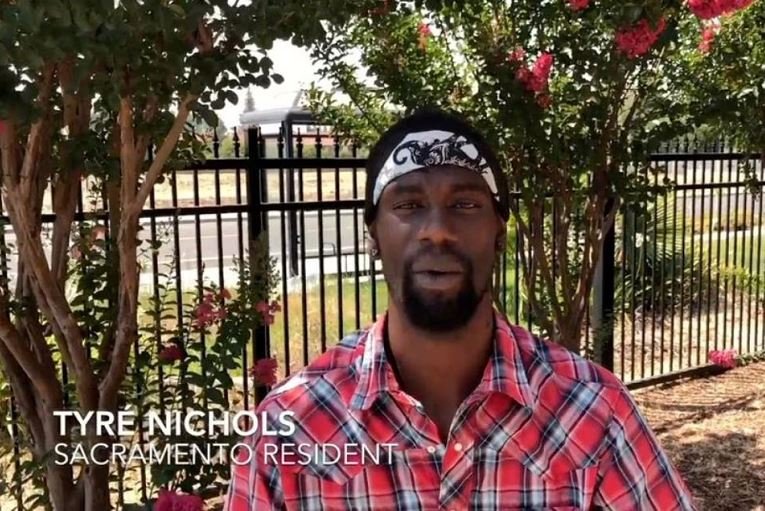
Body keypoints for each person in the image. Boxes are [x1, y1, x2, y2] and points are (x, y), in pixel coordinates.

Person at [224, 109, 696, 510]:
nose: (438, 230)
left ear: (498, 231)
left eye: (466, 203)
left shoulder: (593, 412)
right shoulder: (288, 432)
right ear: (372, 234)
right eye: (408, 204)